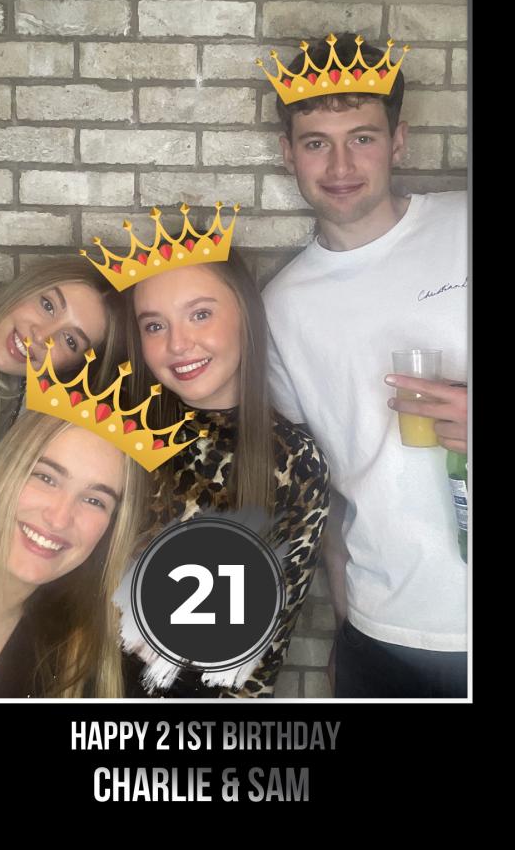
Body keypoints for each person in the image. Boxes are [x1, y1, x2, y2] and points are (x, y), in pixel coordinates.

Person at [262, 31, 468, 698]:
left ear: (398, 141)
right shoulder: (280, 306)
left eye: (362, 137)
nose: (340, 164)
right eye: (316, 142)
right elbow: (316, 481)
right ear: (288, 153)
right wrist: (350, 622)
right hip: (384, 633)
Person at [123, 249, 330, 697]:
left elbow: (259, 659)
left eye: (200, 315)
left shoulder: (296, 462)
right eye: (155, 325)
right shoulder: (118, 435)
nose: (178, 344)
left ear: (246, 317)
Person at [0, 411, 148, 698]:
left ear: (110, 531)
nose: (59, 519)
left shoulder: (76, 672)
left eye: (94, 501)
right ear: (2, 474)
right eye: (46, 478)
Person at [0, 257, 123, 483]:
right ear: (25, 288)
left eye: (70, 341)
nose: (41, 336)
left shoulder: (35, 415)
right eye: (48, 306)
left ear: (71, 367)